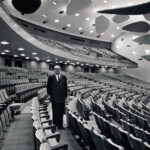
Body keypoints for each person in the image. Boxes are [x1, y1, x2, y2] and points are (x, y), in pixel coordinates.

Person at [47, 65, 67, 129]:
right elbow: (48, 88)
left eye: (58, 69)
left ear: (60, 70)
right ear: (54, 70)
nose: (57, 70)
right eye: (56, 69)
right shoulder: (51, 78)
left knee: (61, 112)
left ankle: (60, 125)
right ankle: (55, 124)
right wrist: (52, 95)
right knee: (55, 111)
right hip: (54, 98)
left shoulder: (64, 77)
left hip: (62, 98)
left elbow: (65, 87)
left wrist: (65, 96)